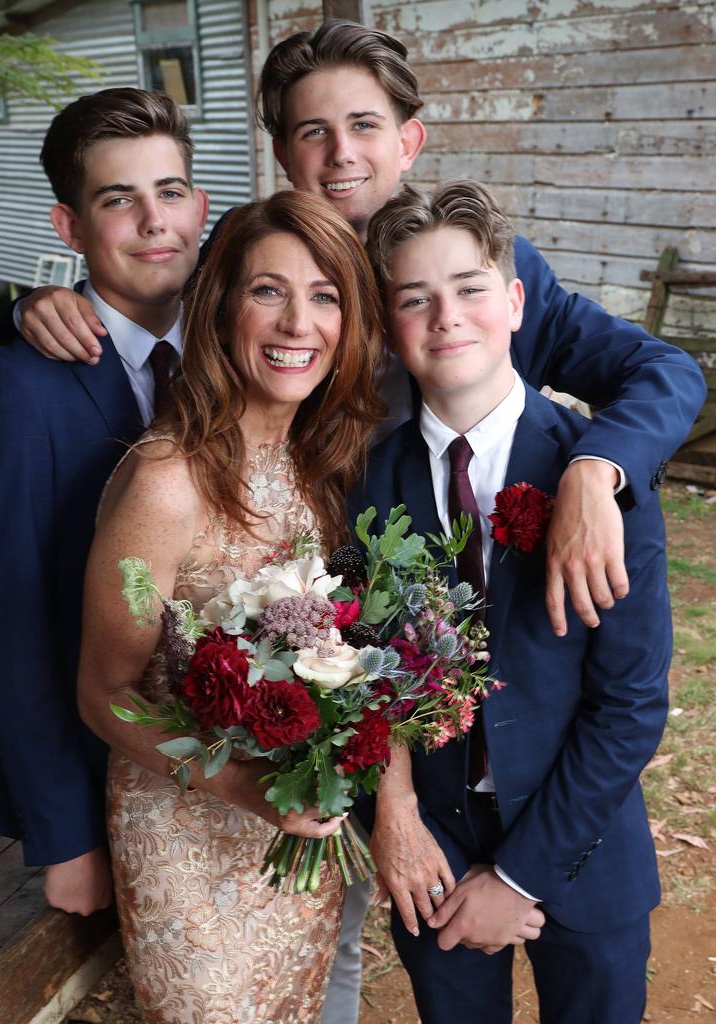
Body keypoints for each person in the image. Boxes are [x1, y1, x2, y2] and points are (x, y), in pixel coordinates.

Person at [0, 19, 705, 1018]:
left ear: (409, 139)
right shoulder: (257, 270)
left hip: (409, 748)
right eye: (311, 131)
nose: (339, 151)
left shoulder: (479, 271)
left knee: (338, 976)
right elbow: (145, 280)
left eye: (363, 123)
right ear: (283, 153)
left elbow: (663, 369)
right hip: (282, 781)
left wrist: (596, 467)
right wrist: (35, 306)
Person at [355, 179, 673, 1024]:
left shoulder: (598, 479)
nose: (446, 316)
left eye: (468, 289)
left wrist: (519, 875)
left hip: (584, 841)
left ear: (515, 301)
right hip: (435, 849)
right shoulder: (363, 484)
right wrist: (397, 821)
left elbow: (632, 705)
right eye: (414, 299)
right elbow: (361, 678)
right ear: (391, 326)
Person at [76, 188, 385, 1022]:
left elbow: (340, 621)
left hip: (293, 826)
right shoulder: (166, 482)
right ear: (219, 309)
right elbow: (104, 693)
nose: (297, 323)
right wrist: (239, 785)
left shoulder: (325, 469)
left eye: (325, 297)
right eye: (267, 290)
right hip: (185, 827)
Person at [0, 88, 209, 914]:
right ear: (69, 227)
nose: (152, 220)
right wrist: (65, 833)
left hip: (235, 759)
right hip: (102, 772)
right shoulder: (16, 391)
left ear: (199, 206)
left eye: (169, 192)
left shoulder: (237, 351)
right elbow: (11, 622)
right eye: (116, 199)